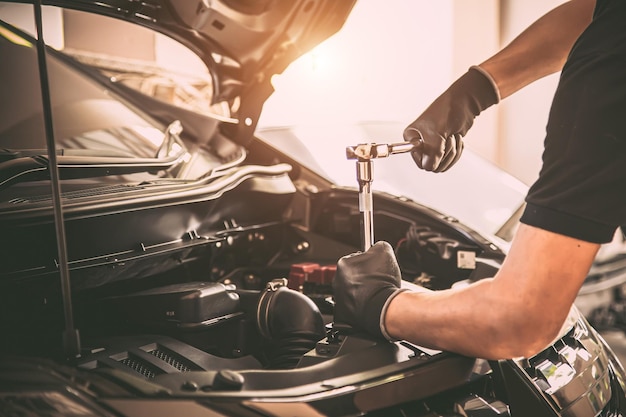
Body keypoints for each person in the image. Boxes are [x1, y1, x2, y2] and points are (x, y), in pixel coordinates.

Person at [332, 0, 626, 360]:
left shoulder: (610, 73)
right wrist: (474, 91)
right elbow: (597, 11)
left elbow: (516, 319)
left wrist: (380, 305)